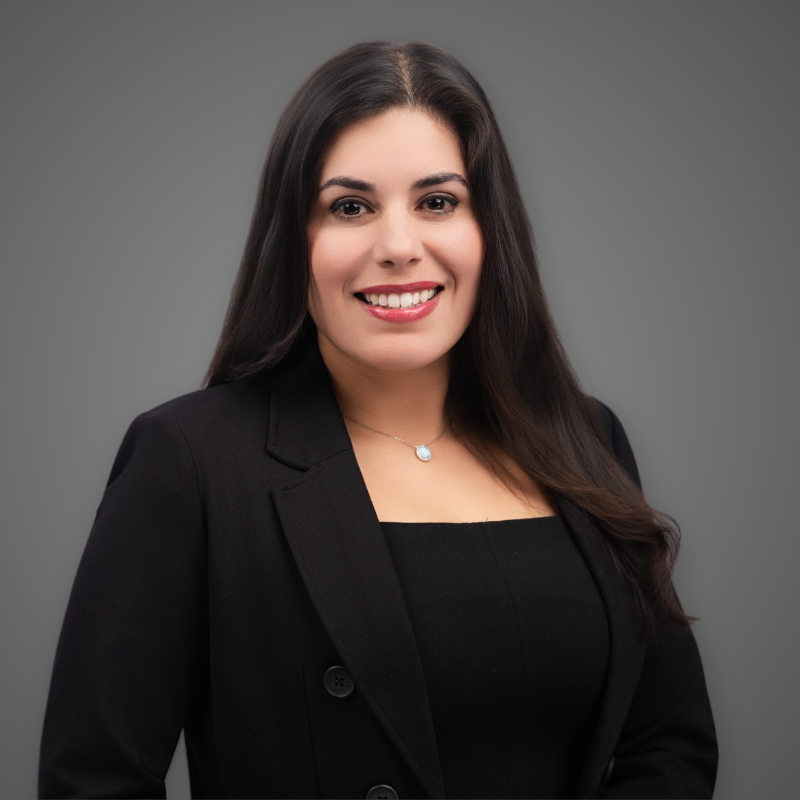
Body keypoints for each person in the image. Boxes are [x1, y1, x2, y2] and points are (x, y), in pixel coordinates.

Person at [38, 40, 717, 799]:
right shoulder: (190, 462)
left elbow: (670, 745)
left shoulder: (587, 439)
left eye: (438, 202)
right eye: (350, 207)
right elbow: (93, 779)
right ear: (295, 241)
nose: (398, 247)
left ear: (490, 229)